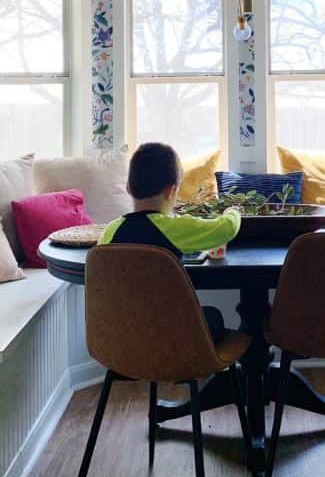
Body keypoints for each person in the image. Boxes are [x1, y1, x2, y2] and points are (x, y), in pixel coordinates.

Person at [98, 142, 240, 342]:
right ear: (170, 191)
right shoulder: (174, 228)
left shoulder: (111, 230)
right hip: (172, 336)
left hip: (123, 337)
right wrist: (233, 211)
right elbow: (227, 228)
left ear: (128, 188)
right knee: (212, 317)